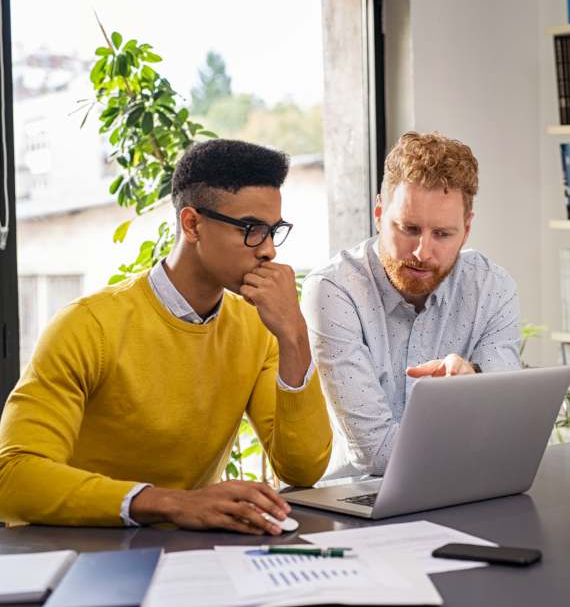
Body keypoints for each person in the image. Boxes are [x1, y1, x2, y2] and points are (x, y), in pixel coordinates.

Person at [0, 139, 332, 534]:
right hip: (83, 548)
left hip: (191, 555)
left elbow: (303, 468)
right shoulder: (86, 326)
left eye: (273, 231)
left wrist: (294, 336)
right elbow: (13, 478)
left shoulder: (256, 328)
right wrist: (172, 503)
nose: (269, 251)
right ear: (192, 224)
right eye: (251, 230)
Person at [302, 131, 521, 477]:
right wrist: (474, 418)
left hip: (462, 491)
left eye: (443, 234)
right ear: (378, 214)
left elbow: (508, 425)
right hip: (355, 501)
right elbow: (376, 454)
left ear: (466, 230)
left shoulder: (493, 288)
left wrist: (474, 378)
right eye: (409, 228)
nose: (422, 252)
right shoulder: (333, 290)